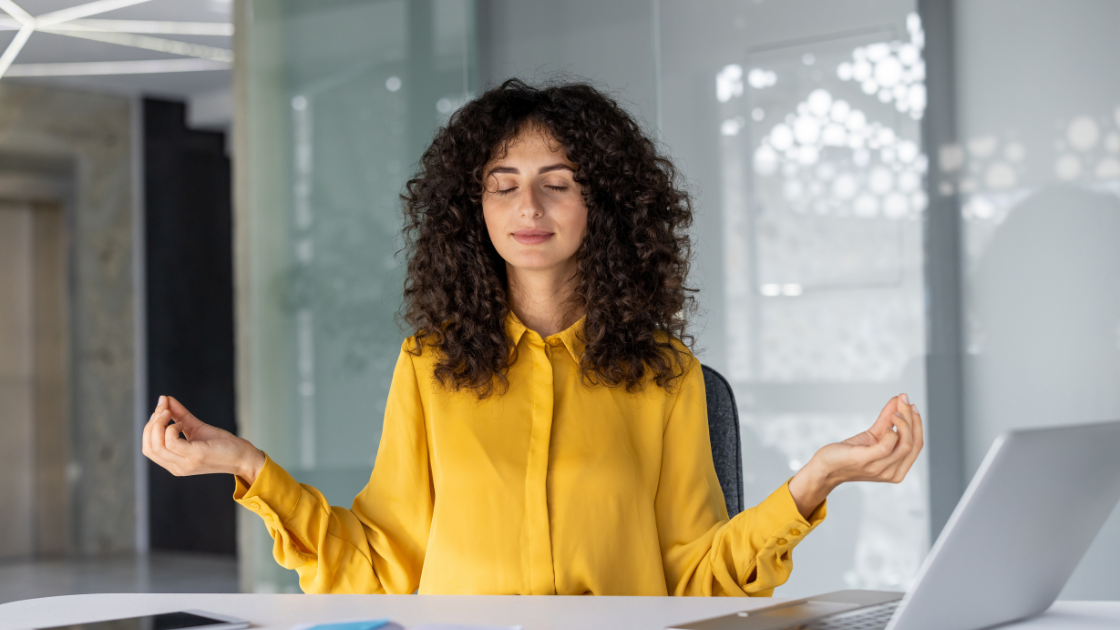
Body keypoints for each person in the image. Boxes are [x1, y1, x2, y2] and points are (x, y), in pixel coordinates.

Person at [142, 79, 923, 597]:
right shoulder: (428, 368)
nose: (529, 206)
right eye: (503, 184)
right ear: (472, 209)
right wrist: (244, 466)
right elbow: (379, 564)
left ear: (604, 206)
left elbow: (696, 579)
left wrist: (816, 479)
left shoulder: (667, 377)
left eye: (559, 183)